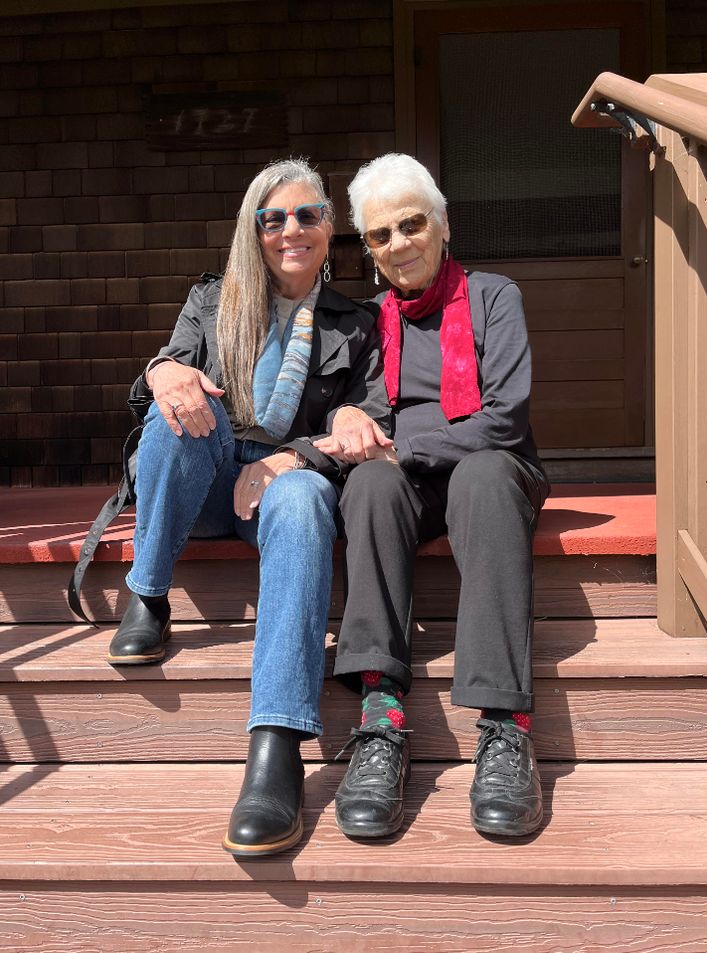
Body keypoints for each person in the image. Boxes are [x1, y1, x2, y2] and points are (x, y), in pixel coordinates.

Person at [108, 158, 390, 858]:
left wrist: (294, 456)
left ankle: (276, 751)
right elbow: (166, 376)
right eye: (274, 218)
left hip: (280, 484)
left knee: (302, 498)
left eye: (307, 215)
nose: (291, 229)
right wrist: (162, 370)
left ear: (330, 226)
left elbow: (373, 419)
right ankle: (148, 591)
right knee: (183, 407)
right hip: (203, 483)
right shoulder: (211, 301)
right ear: (253, 230)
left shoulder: (358, 325)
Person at [315, 153, 550, 839]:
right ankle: (380, 717)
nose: (398, 244)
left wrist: (406, 445)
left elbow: (506, 417)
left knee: (479, 473)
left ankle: (505, 727)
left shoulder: (492, 297)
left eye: (411, 224)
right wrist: (347, 426)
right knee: (369, 482)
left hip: (493, 473)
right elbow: (348, 412)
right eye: (380, 235)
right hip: (404, 483)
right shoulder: (365, 322)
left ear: (442, 225)